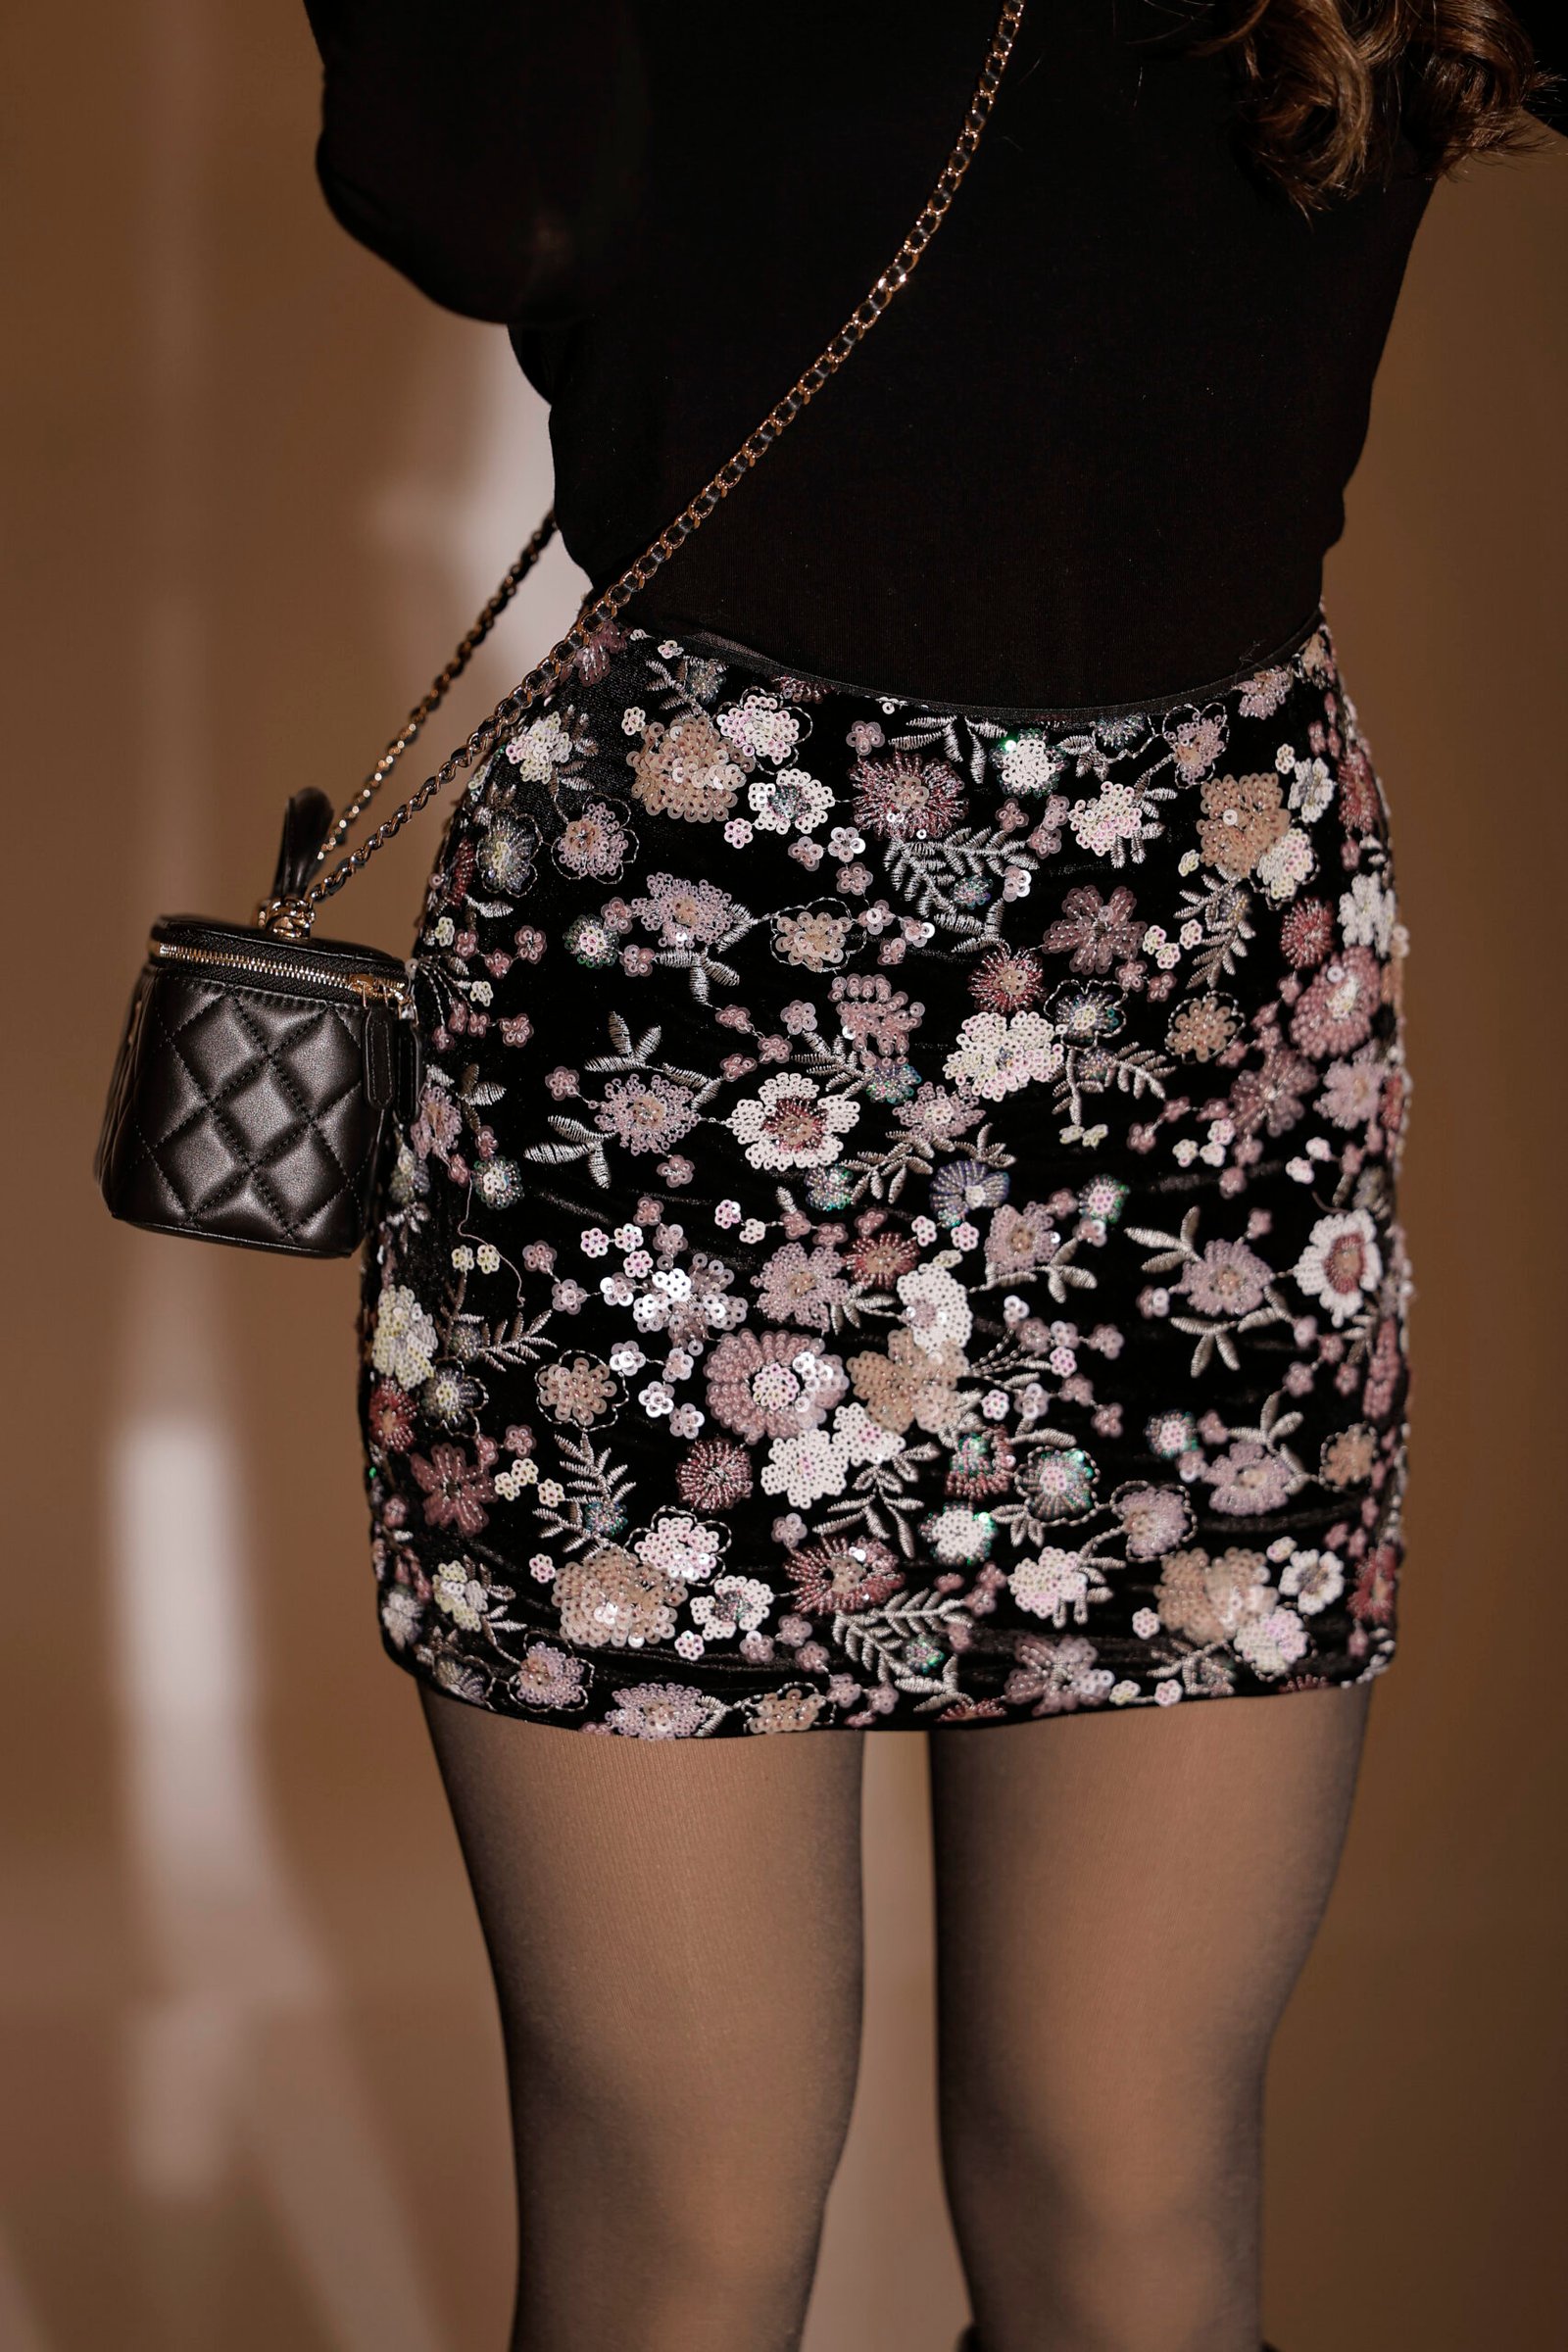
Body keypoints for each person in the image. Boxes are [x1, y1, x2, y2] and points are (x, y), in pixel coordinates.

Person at [301, 7, 1562, 2347]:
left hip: (1201, 993)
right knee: (684, 2226)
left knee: (1125, 2196)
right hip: (686, 998)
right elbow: (474, 185)